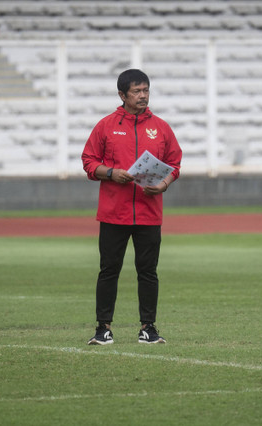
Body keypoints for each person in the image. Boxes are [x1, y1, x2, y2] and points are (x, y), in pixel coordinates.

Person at [81, 69, 182, 345]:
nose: (142, 96)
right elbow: (88, 161)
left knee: (148, 271)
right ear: (122, 95)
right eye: (137, 91)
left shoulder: (161, 127)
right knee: (109, 270)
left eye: (146, 90)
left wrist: (164, 184)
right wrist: (111, 173)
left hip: (149, 212)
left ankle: (148, 328)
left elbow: (175, 164)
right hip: (114, 212)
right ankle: (103, 328)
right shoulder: (105, 126)